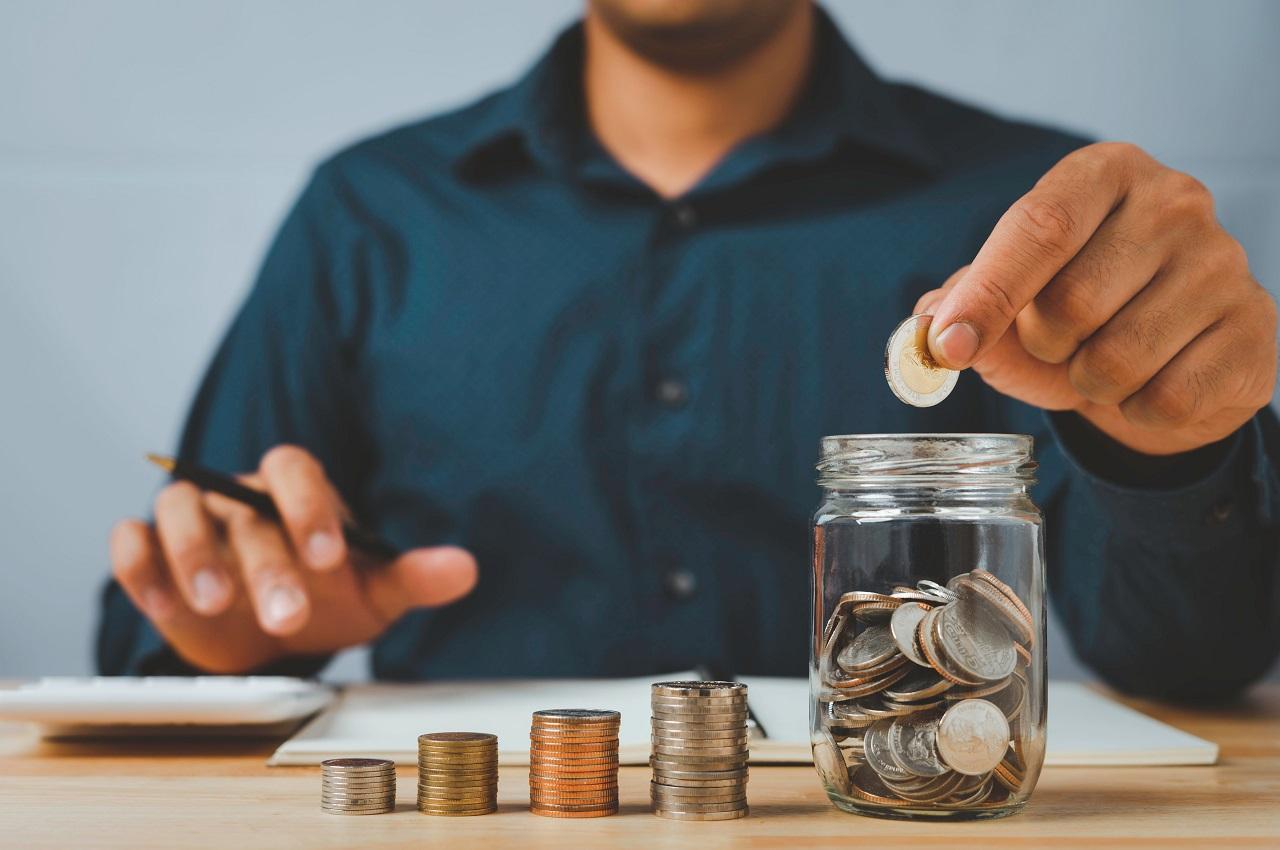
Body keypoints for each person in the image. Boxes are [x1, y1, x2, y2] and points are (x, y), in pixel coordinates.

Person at [99, 0, 1279, 700]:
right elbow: (174, 610)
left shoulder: (1040, 226)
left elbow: (1191, 662)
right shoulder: (367, 212)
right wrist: (230, 634)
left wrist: (1174, 453)